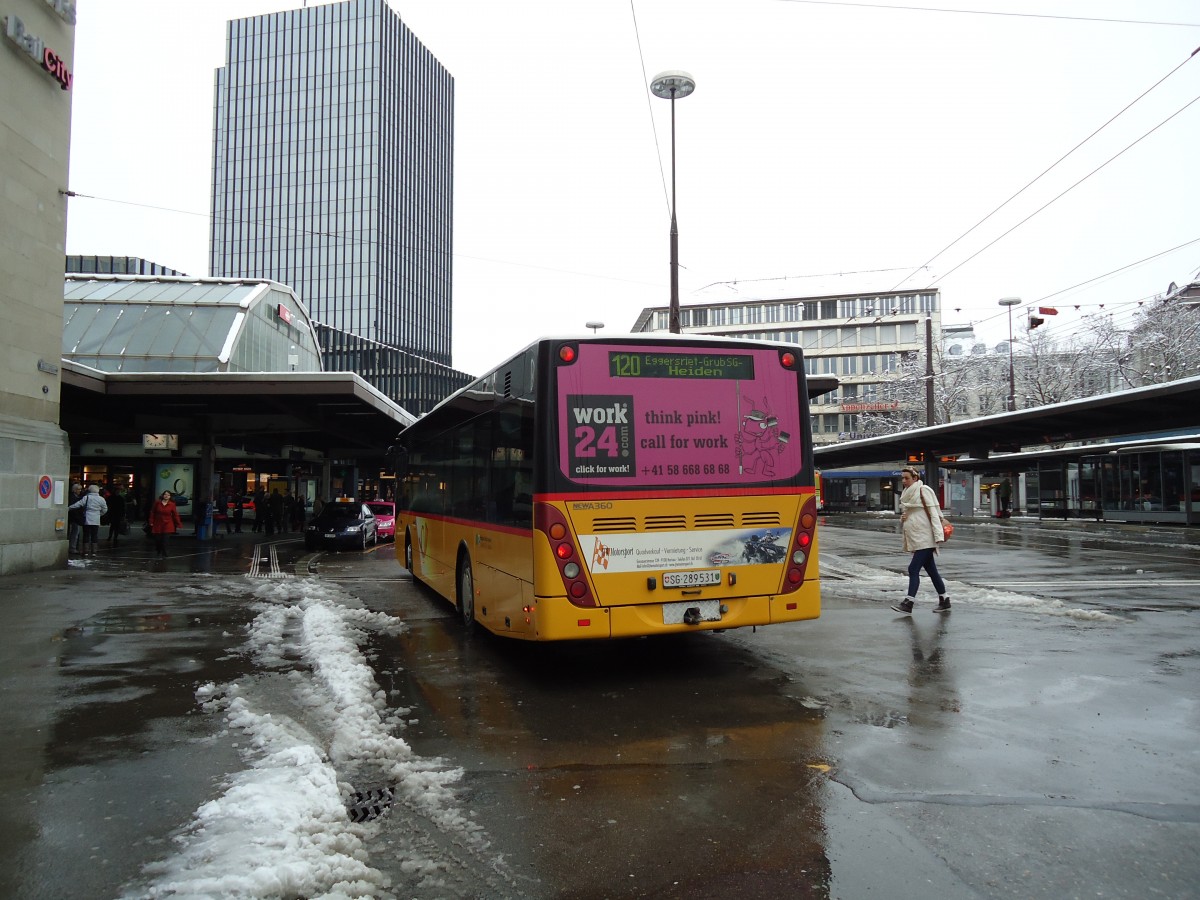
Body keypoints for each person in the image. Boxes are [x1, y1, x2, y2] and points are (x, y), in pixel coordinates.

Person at [891, 466, 950, 614]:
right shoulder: (906, 494)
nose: (904, 481)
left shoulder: (924, 490)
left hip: (926, 537)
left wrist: (938, 536)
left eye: (907, 478)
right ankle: (945, 599)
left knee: (913, 569)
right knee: (931, 571)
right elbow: (914, 514)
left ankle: (908, 603)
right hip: (917, 537)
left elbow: (934, 513)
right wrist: (903, 517)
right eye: (902, 478)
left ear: (915, 478)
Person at [69, 484, 108, 558]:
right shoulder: (101, 499)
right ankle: (94, 552)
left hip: (87, 518)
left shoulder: (86, 497)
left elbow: (78, 504)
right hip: (96, 519)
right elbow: (105, 509)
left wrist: (69, 508)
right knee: (94, 535)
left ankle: (85, 551)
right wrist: (99, 514)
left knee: (86, 535)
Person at [148, 489, 183, 560]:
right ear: (163, 495)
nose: (166, 496)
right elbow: (152, 512)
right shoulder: (157, 503)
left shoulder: (172, 504)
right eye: (165, 494)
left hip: (167, 524)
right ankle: (158, 551)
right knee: (158, 540)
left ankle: (165, 553)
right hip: (157, 524)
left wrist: (178, 523)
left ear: (170, 497)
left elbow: (175, 515)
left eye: (168, 495)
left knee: (165, 540)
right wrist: (151, 521)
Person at [67, 482, 84, 554]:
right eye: (78, 489)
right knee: (75, 533)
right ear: (74, 490)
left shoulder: (79, 497)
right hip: (74, 518)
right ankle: (72, 547)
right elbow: (73, 509)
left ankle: (74, 547)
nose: (79, 491)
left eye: (80, 489)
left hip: (77, 518)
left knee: (76, 533)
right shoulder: (72, 497)